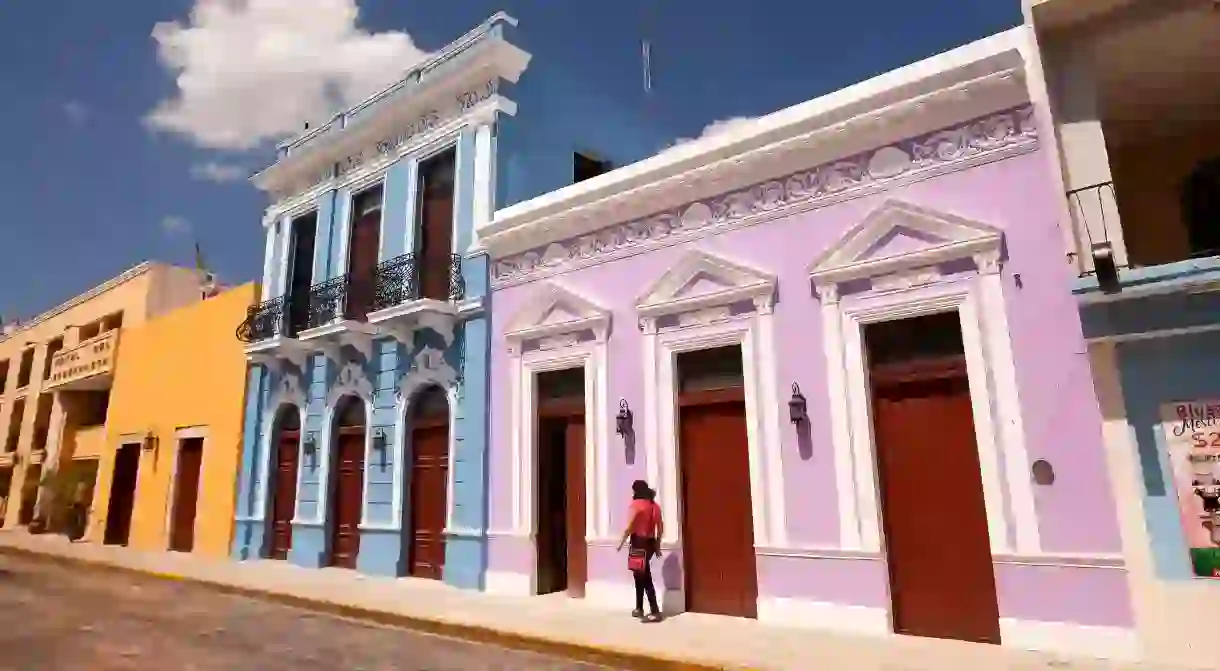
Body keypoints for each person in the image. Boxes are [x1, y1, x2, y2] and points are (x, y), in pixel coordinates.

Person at [618, 479, 663, 622]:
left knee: (643, 576)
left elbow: (630, 526)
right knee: (640, 575)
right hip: (649, 543)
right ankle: (639, 608)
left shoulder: (636, 505)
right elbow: (660, 529)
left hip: (638, 542)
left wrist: (621, 542)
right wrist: (657, 546)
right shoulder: (655, 506)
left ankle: (654, 610)